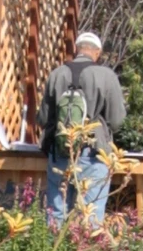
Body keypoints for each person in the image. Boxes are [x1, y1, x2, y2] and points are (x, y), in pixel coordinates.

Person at [39, 27, 126, 228]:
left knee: (56, 214)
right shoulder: (107, 76)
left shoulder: (57, 74)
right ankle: (87, 248)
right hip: (94, 153)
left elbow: (43, 118)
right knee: (90, 215)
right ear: (97, 52)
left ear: (76, 49)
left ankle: (53, 248)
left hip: (61, 152)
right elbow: (116, 120)